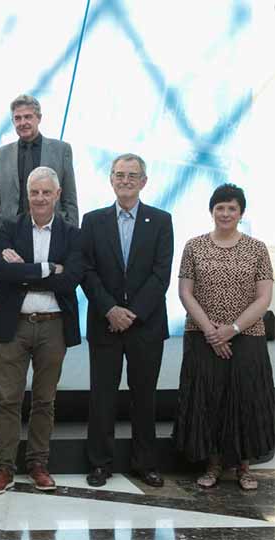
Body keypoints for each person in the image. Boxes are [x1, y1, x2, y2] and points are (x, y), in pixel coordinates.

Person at [0, 167, 82, 494]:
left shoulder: (71, 233)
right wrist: (47, 269)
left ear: (57, 195)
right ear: (27, 196)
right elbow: (5, 272)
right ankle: (3, 468)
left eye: (46, 192)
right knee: (7, 400)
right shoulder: (9, 228)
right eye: (34, 193)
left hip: (53, 326)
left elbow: (70, 280)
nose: (39, 198)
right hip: (15, 325)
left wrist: (25, 270)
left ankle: (38, 464)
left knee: (44, 401)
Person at [81, 153, 173, 488]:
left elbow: (161, 275)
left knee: (144, 397)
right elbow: (87, 271)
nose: (125, 180)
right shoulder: (93, 221)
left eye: (132, 175)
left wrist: (131, 313)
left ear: (144, 181)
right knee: (102, 397)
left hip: (145, 325)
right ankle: (100, 464)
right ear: (111, 179)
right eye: (119, 174)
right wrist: (110, 310)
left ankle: (145, 463)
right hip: (105, 323)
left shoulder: (161, 220)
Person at [174, 183, 274, 490]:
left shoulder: (257, 248)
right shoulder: (194, 245)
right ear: (211, 211)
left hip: (247, 335)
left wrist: (232, 329)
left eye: (232, 208)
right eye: (220, 208)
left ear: (241, 213)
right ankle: (213, 463)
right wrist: (211, 332)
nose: (226, 213)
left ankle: (244, 467)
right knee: (209, 400)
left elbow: (264, 298)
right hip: (202, 334)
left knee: (245, 400)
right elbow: (185, 292)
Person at [0, 94, 78, 226]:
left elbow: (70, 198)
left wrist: (73, 234)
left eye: (28, 117)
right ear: (13, 122)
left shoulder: (62, 150)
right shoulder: (0, 155)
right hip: (10, 231)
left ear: (39, 118)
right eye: (17, 118)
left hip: (53, 231)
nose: (23, 123)